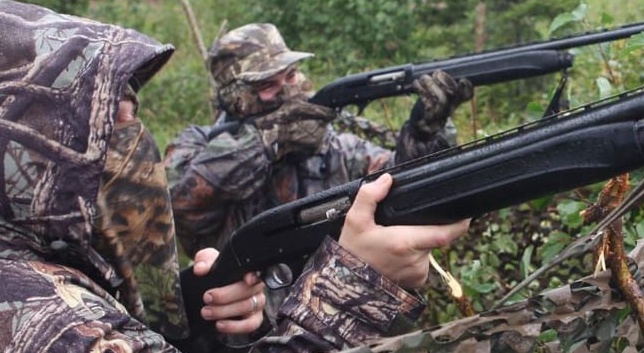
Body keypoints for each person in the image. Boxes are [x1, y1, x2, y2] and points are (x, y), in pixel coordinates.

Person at [0, 0, 470, 353]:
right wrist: (349, 295)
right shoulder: (51, 328)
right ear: (41, 144)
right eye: (108, 123)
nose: (130, 137)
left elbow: (401, 190)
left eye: (289, 79)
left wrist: (196, 339)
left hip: (267, 352)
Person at [165, 22, 473, 260]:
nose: (288, 90)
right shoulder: (195, 145)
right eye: (268, 84)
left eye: (291, 75)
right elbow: (182, 202)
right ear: (236, 98)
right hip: (243, 327)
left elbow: (401, 185)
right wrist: (271, 140)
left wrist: (425, 133)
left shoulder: (332, 148)